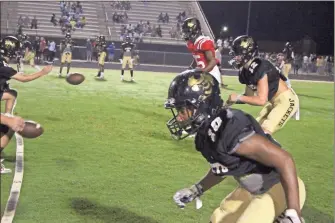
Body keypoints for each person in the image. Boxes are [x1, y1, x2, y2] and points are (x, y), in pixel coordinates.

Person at [165, 70, 306, 223]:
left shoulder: (229, 128)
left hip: (279, 187)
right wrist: (197, 189)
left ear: (201, 105)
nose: (178, 117)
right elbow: (222, 167)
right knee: (218, 220)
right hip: (252, 189)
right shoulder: (204, 137)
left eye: (181, 110)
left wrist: (294, 212)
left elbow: (284, 160)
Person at [227, 35, 299, 135]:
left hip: (286, 101)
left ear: (247, 53)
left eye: (237, 54)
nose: (235, 58)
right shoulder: (245, 72)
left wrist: (238, 97)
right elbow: (249, 97)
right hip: (272, 102)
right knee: (252, 132)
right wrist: (233, 101)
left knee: (264, 133)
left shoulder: (259, 67)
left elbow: (261, 100)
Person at [0, 36, 53, 114]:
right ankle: (8, 119)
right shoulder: (3, 64)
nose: (17, 52)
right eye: (16, 50)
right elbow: (24, 78)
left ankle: (7, 119)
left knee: (8, 90)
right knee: (11, 94)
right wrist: (42, 72)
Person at [182, 17, 227, 87]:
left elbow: (213, 61)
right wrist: (190, 69)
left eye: (187, 32)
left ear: (195, 31)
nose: (185, 34)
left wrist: (202, 72)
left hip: (211, 74)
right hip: (203, 74)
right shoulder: (192, 43)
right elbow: (197, 58)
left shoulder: (204, 42)